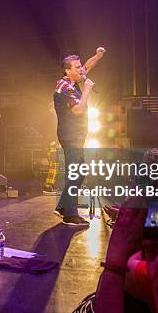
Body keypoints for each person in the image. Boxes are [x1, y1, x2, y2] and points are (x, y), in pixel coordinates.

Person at [53, 47, 105, 225]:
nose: (81, 69)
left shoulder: (73, 78)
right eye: (76, 67)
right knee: (74, 173)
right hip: (70, 136)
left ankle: (63, 207)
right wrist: (87, 90)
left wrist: (98, 56)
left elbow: (87, 66)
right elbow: (78, 110)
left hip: (77, 135)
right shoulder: (64, 88)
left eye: (80, 66)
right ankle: (70, 214)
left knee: (79, 171)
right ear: (67, 70)